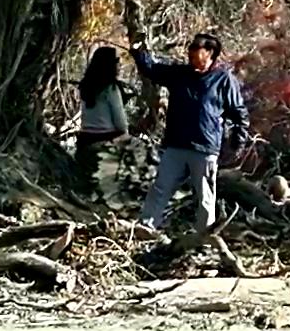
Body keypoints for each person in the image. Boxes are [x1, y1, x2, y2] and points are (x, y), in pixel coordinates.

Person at [135, 31, 249, 233]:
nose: (191, 57)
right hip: (176, 145)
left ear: (210, 53)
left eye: (196, 53)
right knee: (160, 187)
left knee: (205, 195)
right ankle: (146, 228)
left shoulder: (223, 80)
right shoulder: (180, 74)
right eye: (190, 52)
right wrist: (138, 51)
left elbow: (239, 113)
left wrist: (238, 140)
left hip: (204, 147)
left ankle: (204, 236)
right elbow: (152, 69)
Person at [68, 44, 134, 203]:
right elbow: (121, 124)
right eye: (117, 61)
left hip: (85, 140)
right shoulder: (111, 89)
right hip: (107, 140)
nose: (120, 65)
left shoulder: (86, 87)